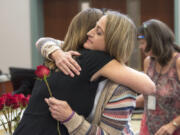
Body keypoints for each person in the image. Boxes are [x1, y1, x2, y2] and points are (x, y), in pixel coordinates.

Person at [14, 9, 155, 135]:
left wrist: (70, 118)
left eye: (98, 32)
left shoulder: (114, 80)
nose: (89, 33)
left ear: (113, 41)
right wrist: (56, 53)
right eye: (93, 27)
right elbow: (44, 41)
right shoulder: (77, 57)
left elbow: (149, 87)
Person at [136, 19, 180, 135]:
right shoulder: (148, 62)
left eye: (143, 43)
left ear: (155, 42)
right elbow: (149, 96)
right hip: (149, 128)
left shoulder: (178, 62)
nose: (140, 47)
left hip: (173, 129)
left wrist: (173, 124)